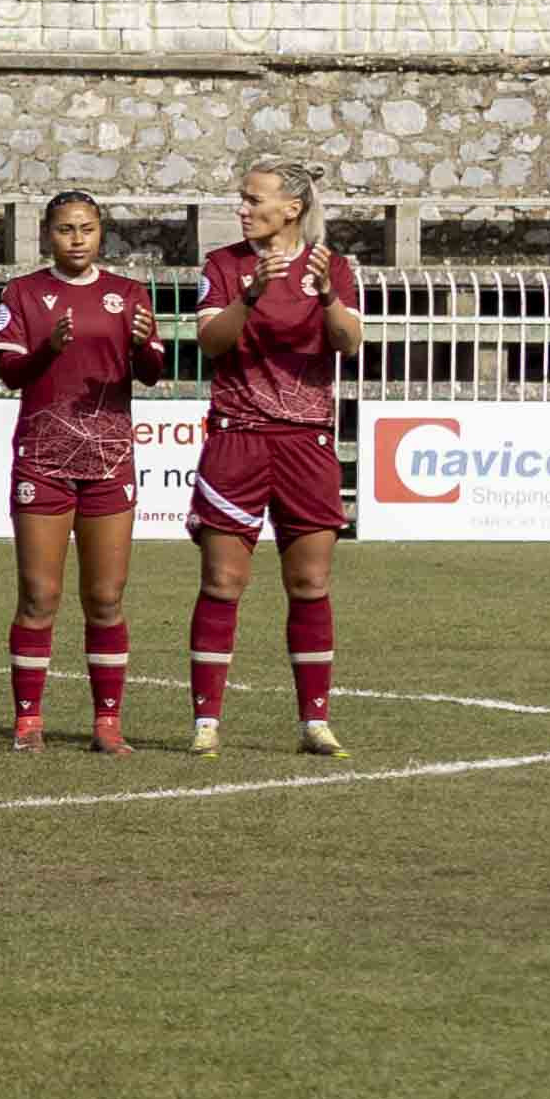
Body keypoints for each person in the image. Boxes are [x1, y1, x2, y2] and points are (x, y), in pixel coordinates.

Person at [186, 161, 354, 756]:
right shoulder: (225, 266)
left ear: (292, 208)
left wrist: (330, 295)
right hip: (239, 438)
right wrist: (251, 295)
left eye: (253, 198)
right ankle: (206, 720)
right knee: (223, 580)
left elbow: (348, 342)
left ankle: (315, 720)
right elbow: (210, 342)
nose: (242, 207)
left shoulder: (331, 268)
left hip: (307, 441)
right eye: (241, 198)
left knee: (309, 582)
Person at [0, 189, 161, 753]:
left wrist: (145, 350)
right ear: (48, 235)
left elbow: (154, 371)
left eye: (86, 228)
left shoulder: (128, 294)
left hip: (109, 459)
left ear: (100, 233)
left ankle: (107, 724)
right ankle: (27, 723)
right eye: (65, 229)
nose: (77, 238)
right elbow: (9, 371)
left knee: (106, 597)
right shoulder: (24, 293)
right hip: (42, 459)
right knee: (39, 595)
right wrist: (49, 349)